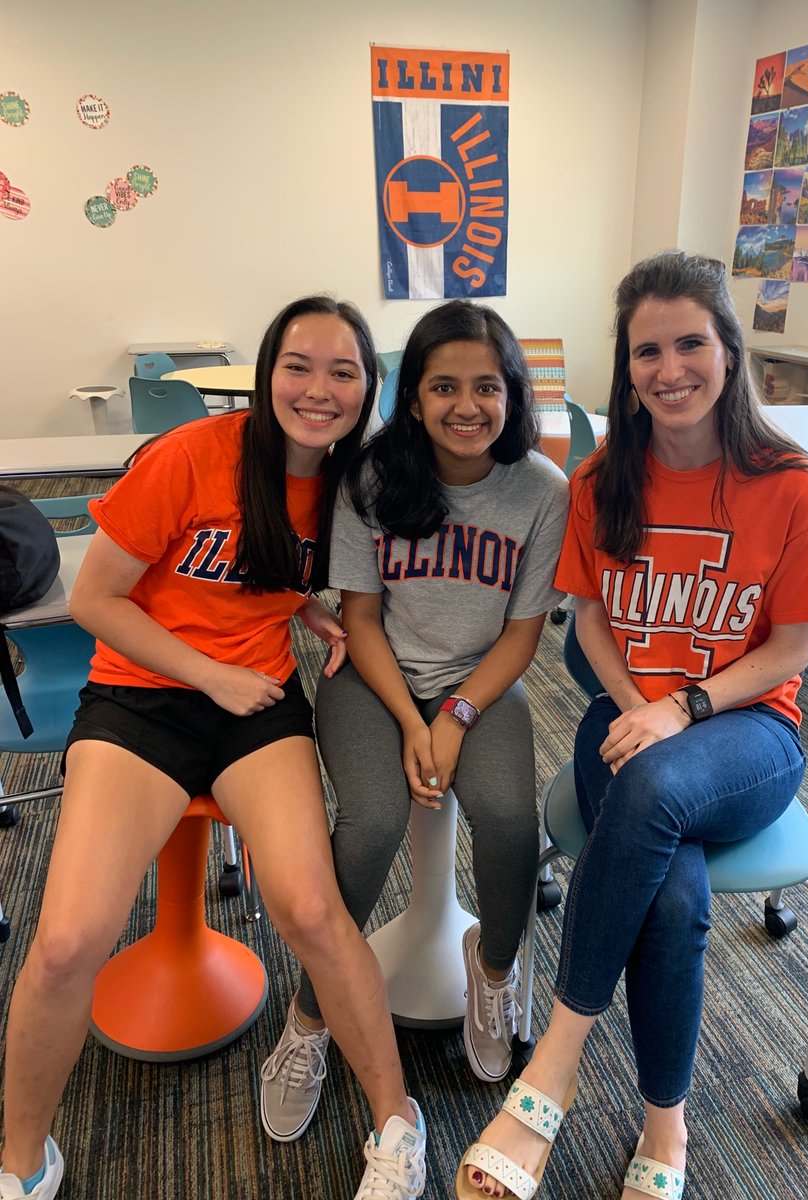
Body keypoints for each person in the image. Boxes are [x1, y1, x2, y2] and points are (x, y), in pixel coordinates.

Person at [0, 297, 427, 1200]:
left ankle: (398, 1122)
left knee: (311, 913)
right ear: (268, 371)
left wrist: (303, 610)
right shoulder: (190, 456)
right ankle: (20, 1160)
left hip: (256, 708)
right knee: (71, 937)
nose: (318, 390)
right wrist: (209, 672)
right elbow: (96, 601)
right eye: (299, 366)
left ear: (367, 388)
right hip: (143, 700)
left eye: (342, 372)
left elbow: (268, 570)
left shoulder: (352, 481)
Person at [456, 250, 808, 1200]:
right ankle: (665, 1128)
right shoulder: (601, 481)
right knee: (671, 900)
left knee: (656, 784)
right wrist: (641, 703)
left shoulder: (791, 488)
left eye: (690, 344)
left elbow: (793, 652)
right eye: (647, 351)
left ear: (728, 350)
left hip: (748, 731)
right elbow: (588, 620)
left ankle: (549, 1069)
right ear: (625, 366)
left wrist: (682, 706)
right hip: (627, 719)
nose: (669, 369)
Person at [259, 299, 569, 1146]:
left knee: (509, 821)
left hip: (482, 683)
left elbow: (521, 634)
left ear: (513, 393)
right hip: (374, 680)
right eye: (443, 387)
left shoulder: (541, 490)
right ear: (414, 396)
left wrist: (458, 715)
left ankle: (493, 973)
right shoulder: (371, 478)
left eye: (486, 386)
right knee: (369, 828)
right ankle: (310, 1015)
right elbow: (359, 622)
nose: (466, 406)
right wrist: (410, 720)